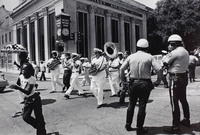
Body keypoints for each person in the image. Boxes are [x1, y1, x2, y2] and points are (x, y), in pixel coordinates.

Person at [120, 39, 162, 134]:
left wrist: (123, 81)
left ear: (137, 47)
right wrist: (158, 81)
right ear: (146, 48)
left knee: (131, 104)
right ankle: (139, 127)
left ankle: (128, 124)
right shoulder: (149, 57)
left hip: (133, 82)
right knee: (142, 105)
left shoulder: (131, 56)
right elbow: (159, 69)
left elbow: (122, 69)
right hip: (145, 82)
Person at [162, 34, 190, 134]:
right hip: (183, 76)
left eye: (170, 44)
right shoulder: (185, 52)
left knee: (174, 102)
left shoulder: (174, 52)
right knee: (183, 99)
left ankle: (175, 126)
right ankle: (187, 119)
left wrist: (168, 53)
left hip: (175, 77)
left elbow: (164, 62)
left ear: (173, 44)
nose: (169, 46)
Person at [9, 63, 46, 135]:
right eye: (22, 70)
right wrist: (14, 86)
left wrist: (17, 88)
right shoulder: (20, 77)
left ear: (30, 71)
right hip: (27, 99)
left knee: (38, 116)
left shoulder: (32, 79)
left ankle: (41, 132)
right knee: (25, 117)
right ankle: (39, 125)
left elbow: (28, 92)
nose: (23, 72)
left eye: (25, 70)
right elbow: (18, 84)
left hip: (34, 98)